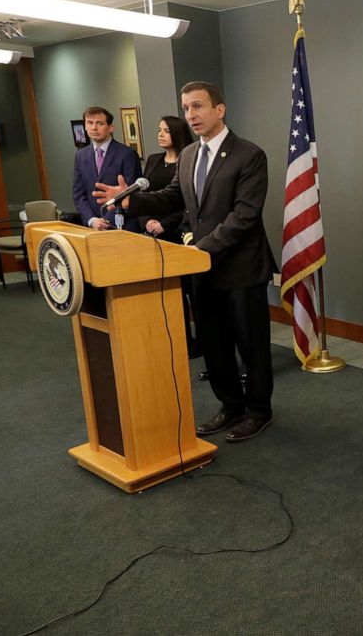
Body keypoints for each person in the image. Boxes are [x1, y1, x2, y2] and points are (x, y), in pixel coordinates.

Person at [94, 81, 277, 443]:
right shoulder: (190, 154)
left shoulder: (250, 155)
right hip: (200, 268)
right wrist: (130, 201)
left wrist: (203, 249)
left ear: (219, 109)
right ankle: (230, 405)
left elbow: (244, 214)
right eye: (186, 108)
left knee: (250, 344)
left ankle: (258, 411)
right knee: (215, 343)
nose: (191, 115)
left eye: (198, 107)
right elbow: (172, 197)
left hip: (239, 268)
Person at [140, 115, 201, 358]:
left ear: (177, 132)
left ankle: (202, 343)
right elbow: (146, 194)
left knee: (190, 291)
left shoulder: (189, 159)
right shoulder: (154, 161)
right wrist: (148, 222)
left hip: (180, 234)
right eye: (159, 129)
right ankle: (180, 338)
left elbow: (187, 202)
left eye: (166, 130)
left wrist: (164, 223)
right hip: (154, 235)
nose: (161, 134)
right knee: (170, 292)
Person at [72, 106, 142, 232]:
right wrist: (92, 220)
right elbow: (79, 194)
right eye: (90, 123)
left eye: (100, 123)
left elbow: (131, 192)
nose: (94, 127)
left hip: (122, 227)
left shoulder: (127, 154)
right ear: (85, 126)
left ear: (110, 127)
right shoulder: (80, 156)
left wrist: (106, 220)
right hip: (93, 228)